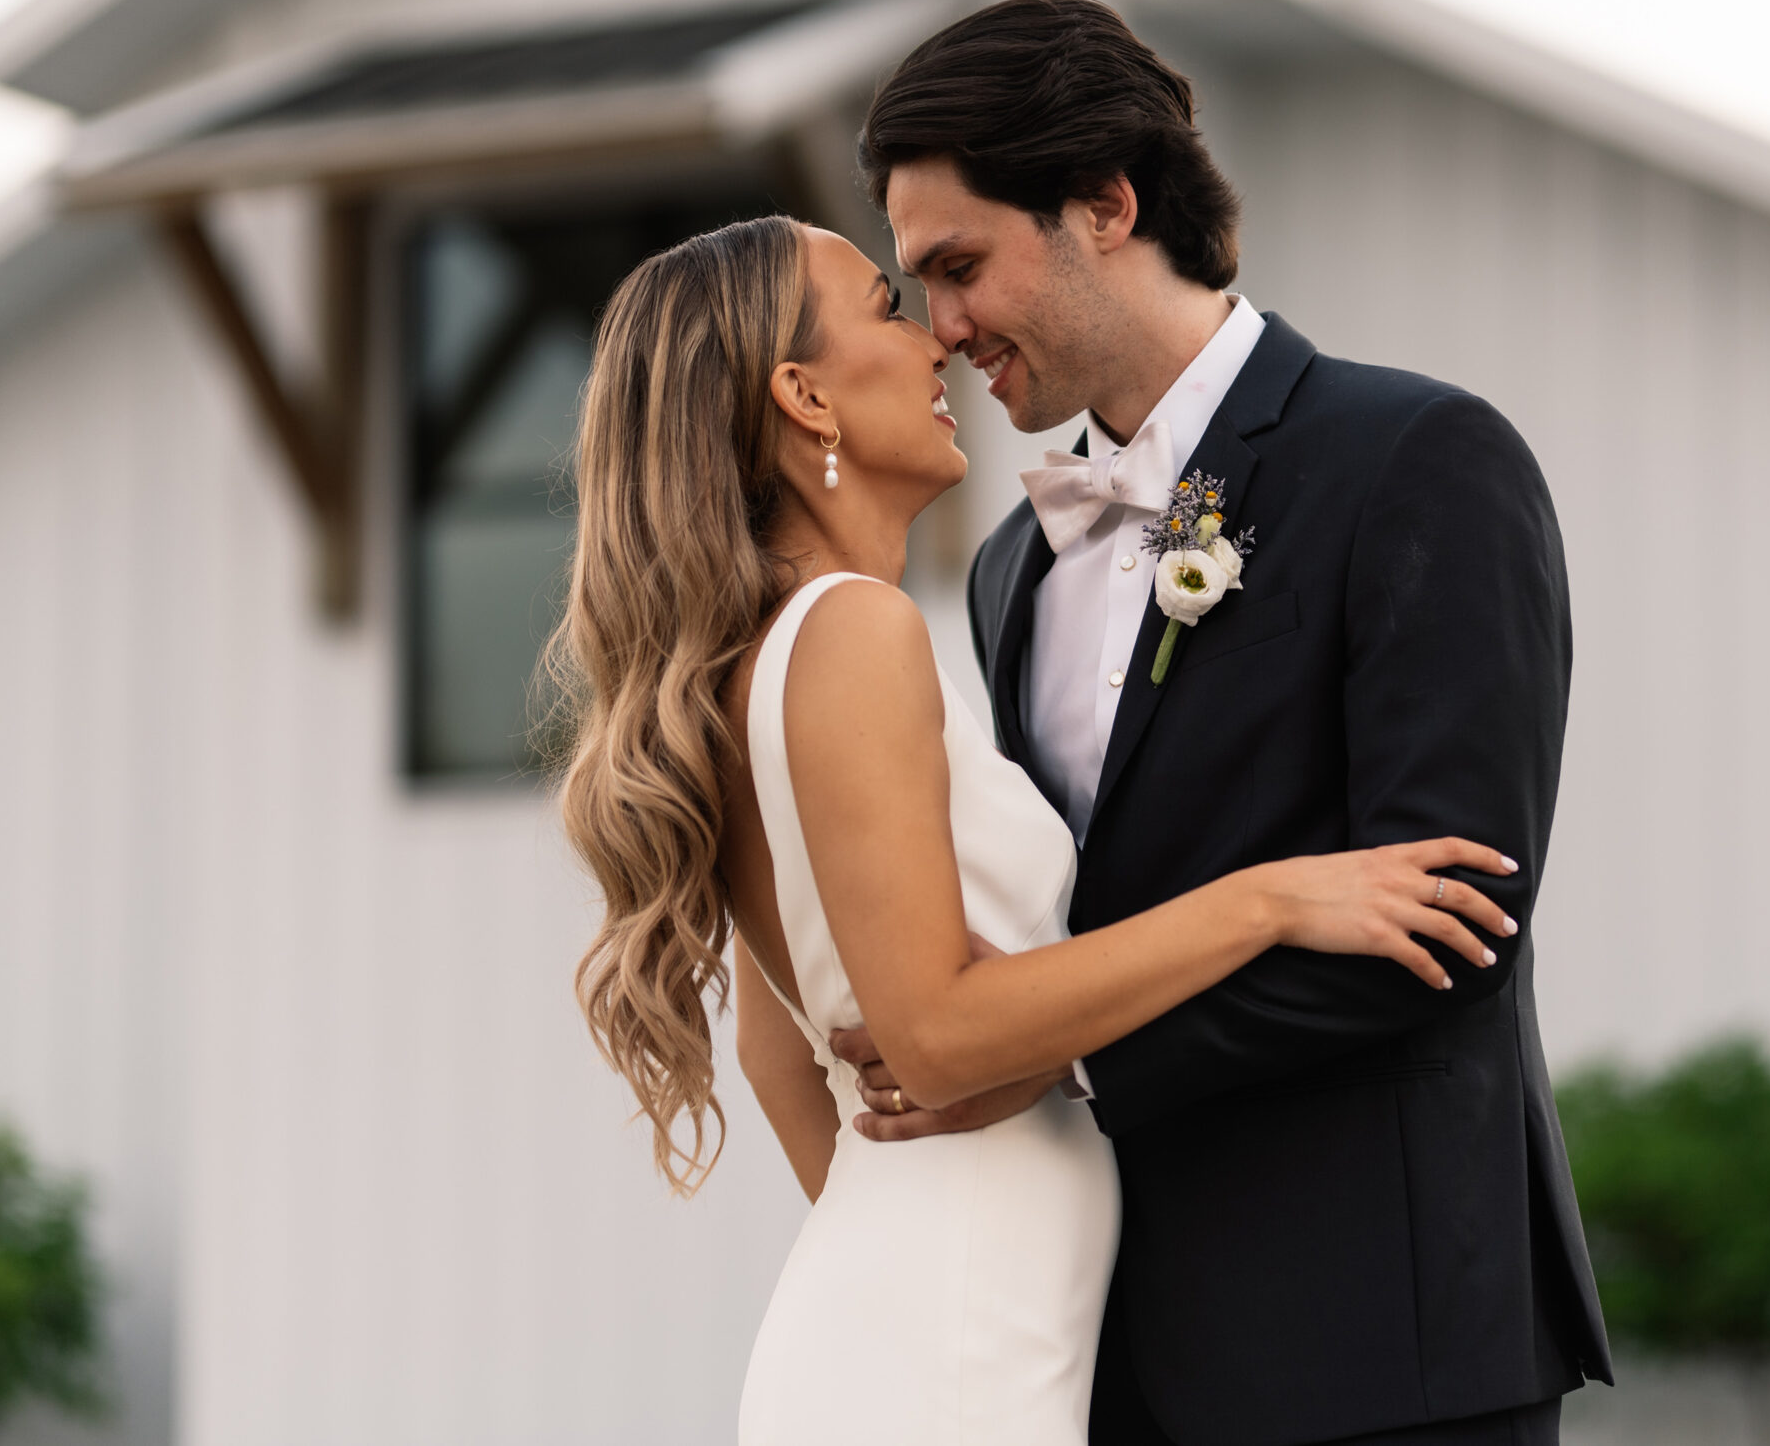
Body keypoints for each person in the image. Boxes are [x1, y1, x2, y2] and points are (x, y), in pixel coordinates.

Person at [546, 211, 1522, 1446]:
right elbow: (938, 1035)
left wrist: (901, 1231)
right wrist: (1267, 898)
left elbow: (779, 1055)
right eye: (889, 308)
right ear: (803, 395)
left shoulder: (759, 656)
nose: (935, 344)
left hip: (925, 1309)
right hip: (960, 1338)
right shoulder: (851, 632)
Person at [830, 0, 1614, 1446]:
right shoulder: (1011, 568)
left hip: (1389, 1348)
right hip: (1114, 1357)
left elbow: (1448, 927)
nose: (940, 330)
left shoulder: (1419, 458)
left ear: (1106, 203)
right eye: (913, 285)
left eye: (959, 266)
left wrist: (1046, 1054)